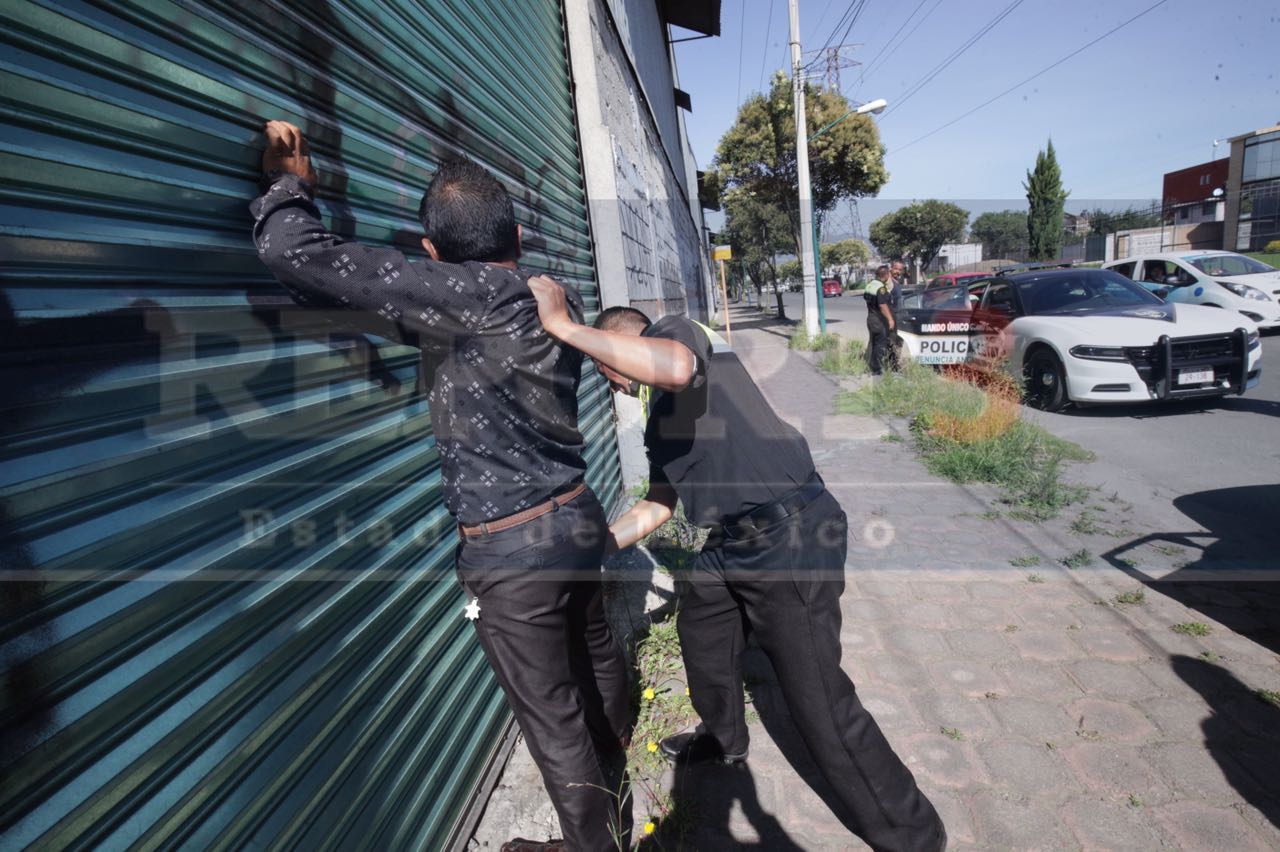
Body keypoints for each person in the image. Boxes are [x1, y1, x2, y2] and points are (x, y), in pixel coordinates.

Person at [251, 121, 629, 852]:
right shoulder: (553, 294)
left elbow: (291, 253)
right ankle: (616, 802)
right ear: (517, 236)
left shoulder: (450, 294)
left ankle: (599, 845)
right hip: (577, 517)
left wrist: (290, 183)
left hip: (513, 555)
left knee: (552, 722)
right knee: (597, 662)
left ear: (431, 251)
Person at [524, 278, 947, 852]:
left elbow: (671, 367)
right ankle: (724, 738)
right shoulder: (661, 425)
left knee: (818, 702)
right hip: (732, 543)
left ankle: (914, 835)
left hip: (789, 536)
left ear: (621, 343)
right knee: (703, 626)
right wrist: (595, 546)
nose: (611, 381)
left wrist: (565, 328)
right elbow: (658, 506)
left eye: (606, 366)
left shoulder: (674, 335)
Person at [865, 265, 901, 375]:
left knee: (873, 343)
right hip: (879, 320)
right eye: (888, 274)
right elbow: (882, 305)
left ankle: (872, 366)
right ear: (886, 275)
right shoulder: (881, 288)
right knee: (881, 344)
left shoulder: (870, 285)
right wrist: (890, 319)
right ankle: (879, 370)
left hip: (870, 318)